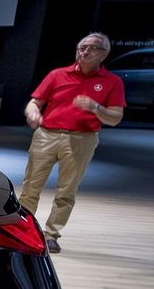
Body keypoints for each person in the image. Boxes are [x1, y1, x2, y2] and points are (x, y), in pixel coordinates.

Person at [18, 33, 125, 252]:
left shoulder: (112, 82)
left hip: (81, 139)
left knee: (67, 190)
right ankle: (21, 229)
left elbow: (115, 117)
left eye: (92, 48)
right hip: (46, 135)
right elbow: (34, 102)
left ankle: (51, 234)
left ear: (103, 54)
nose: (85, 51)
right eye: (82, 47)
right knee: (30, 186)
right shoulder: (57, 74)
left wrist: (96, 108)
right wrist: (33, 113)